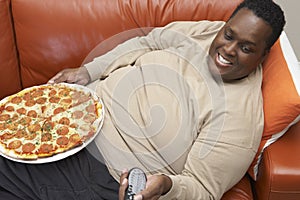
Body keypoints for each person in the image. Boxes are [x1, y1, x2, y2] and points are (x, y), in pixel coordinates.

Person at [0, 0, 285, 199]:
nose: (228, 49)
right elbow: (146, 41)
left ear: (263, 56)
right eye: (229, 35)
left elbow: (201, 187)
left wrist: (166, 186)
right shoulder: (205, 31)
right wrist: (89, 71)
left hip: (100, 171)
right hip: (70, 115)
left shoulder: (240, 119)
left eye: (246, 48)